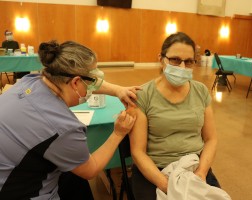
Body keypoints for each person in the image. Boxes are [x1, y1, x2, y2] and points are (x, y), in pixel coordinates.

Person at [0, 40, 139, 199]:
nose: (94, 86)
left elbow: (85, 81)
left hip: (13, 167)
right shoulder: (62, 127)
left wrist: (118, 90)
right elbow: (91, 170)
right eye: (92, 81)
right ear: (75, 82)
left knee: (74, 178)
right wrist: (118, 134)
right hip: (17, 191)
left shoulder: (31, 81)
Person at [130, 32, 220, 200]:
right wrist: (166, 185)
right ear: (161, 59)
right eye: (175, 60)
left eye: (189, 62)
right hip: (155, 170)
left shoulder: (200, 91)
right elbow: (137, 152)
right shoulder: (144, 95)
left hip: (194, 167)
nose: (182, 67)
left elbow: (211, 139)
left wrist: (201, 173)